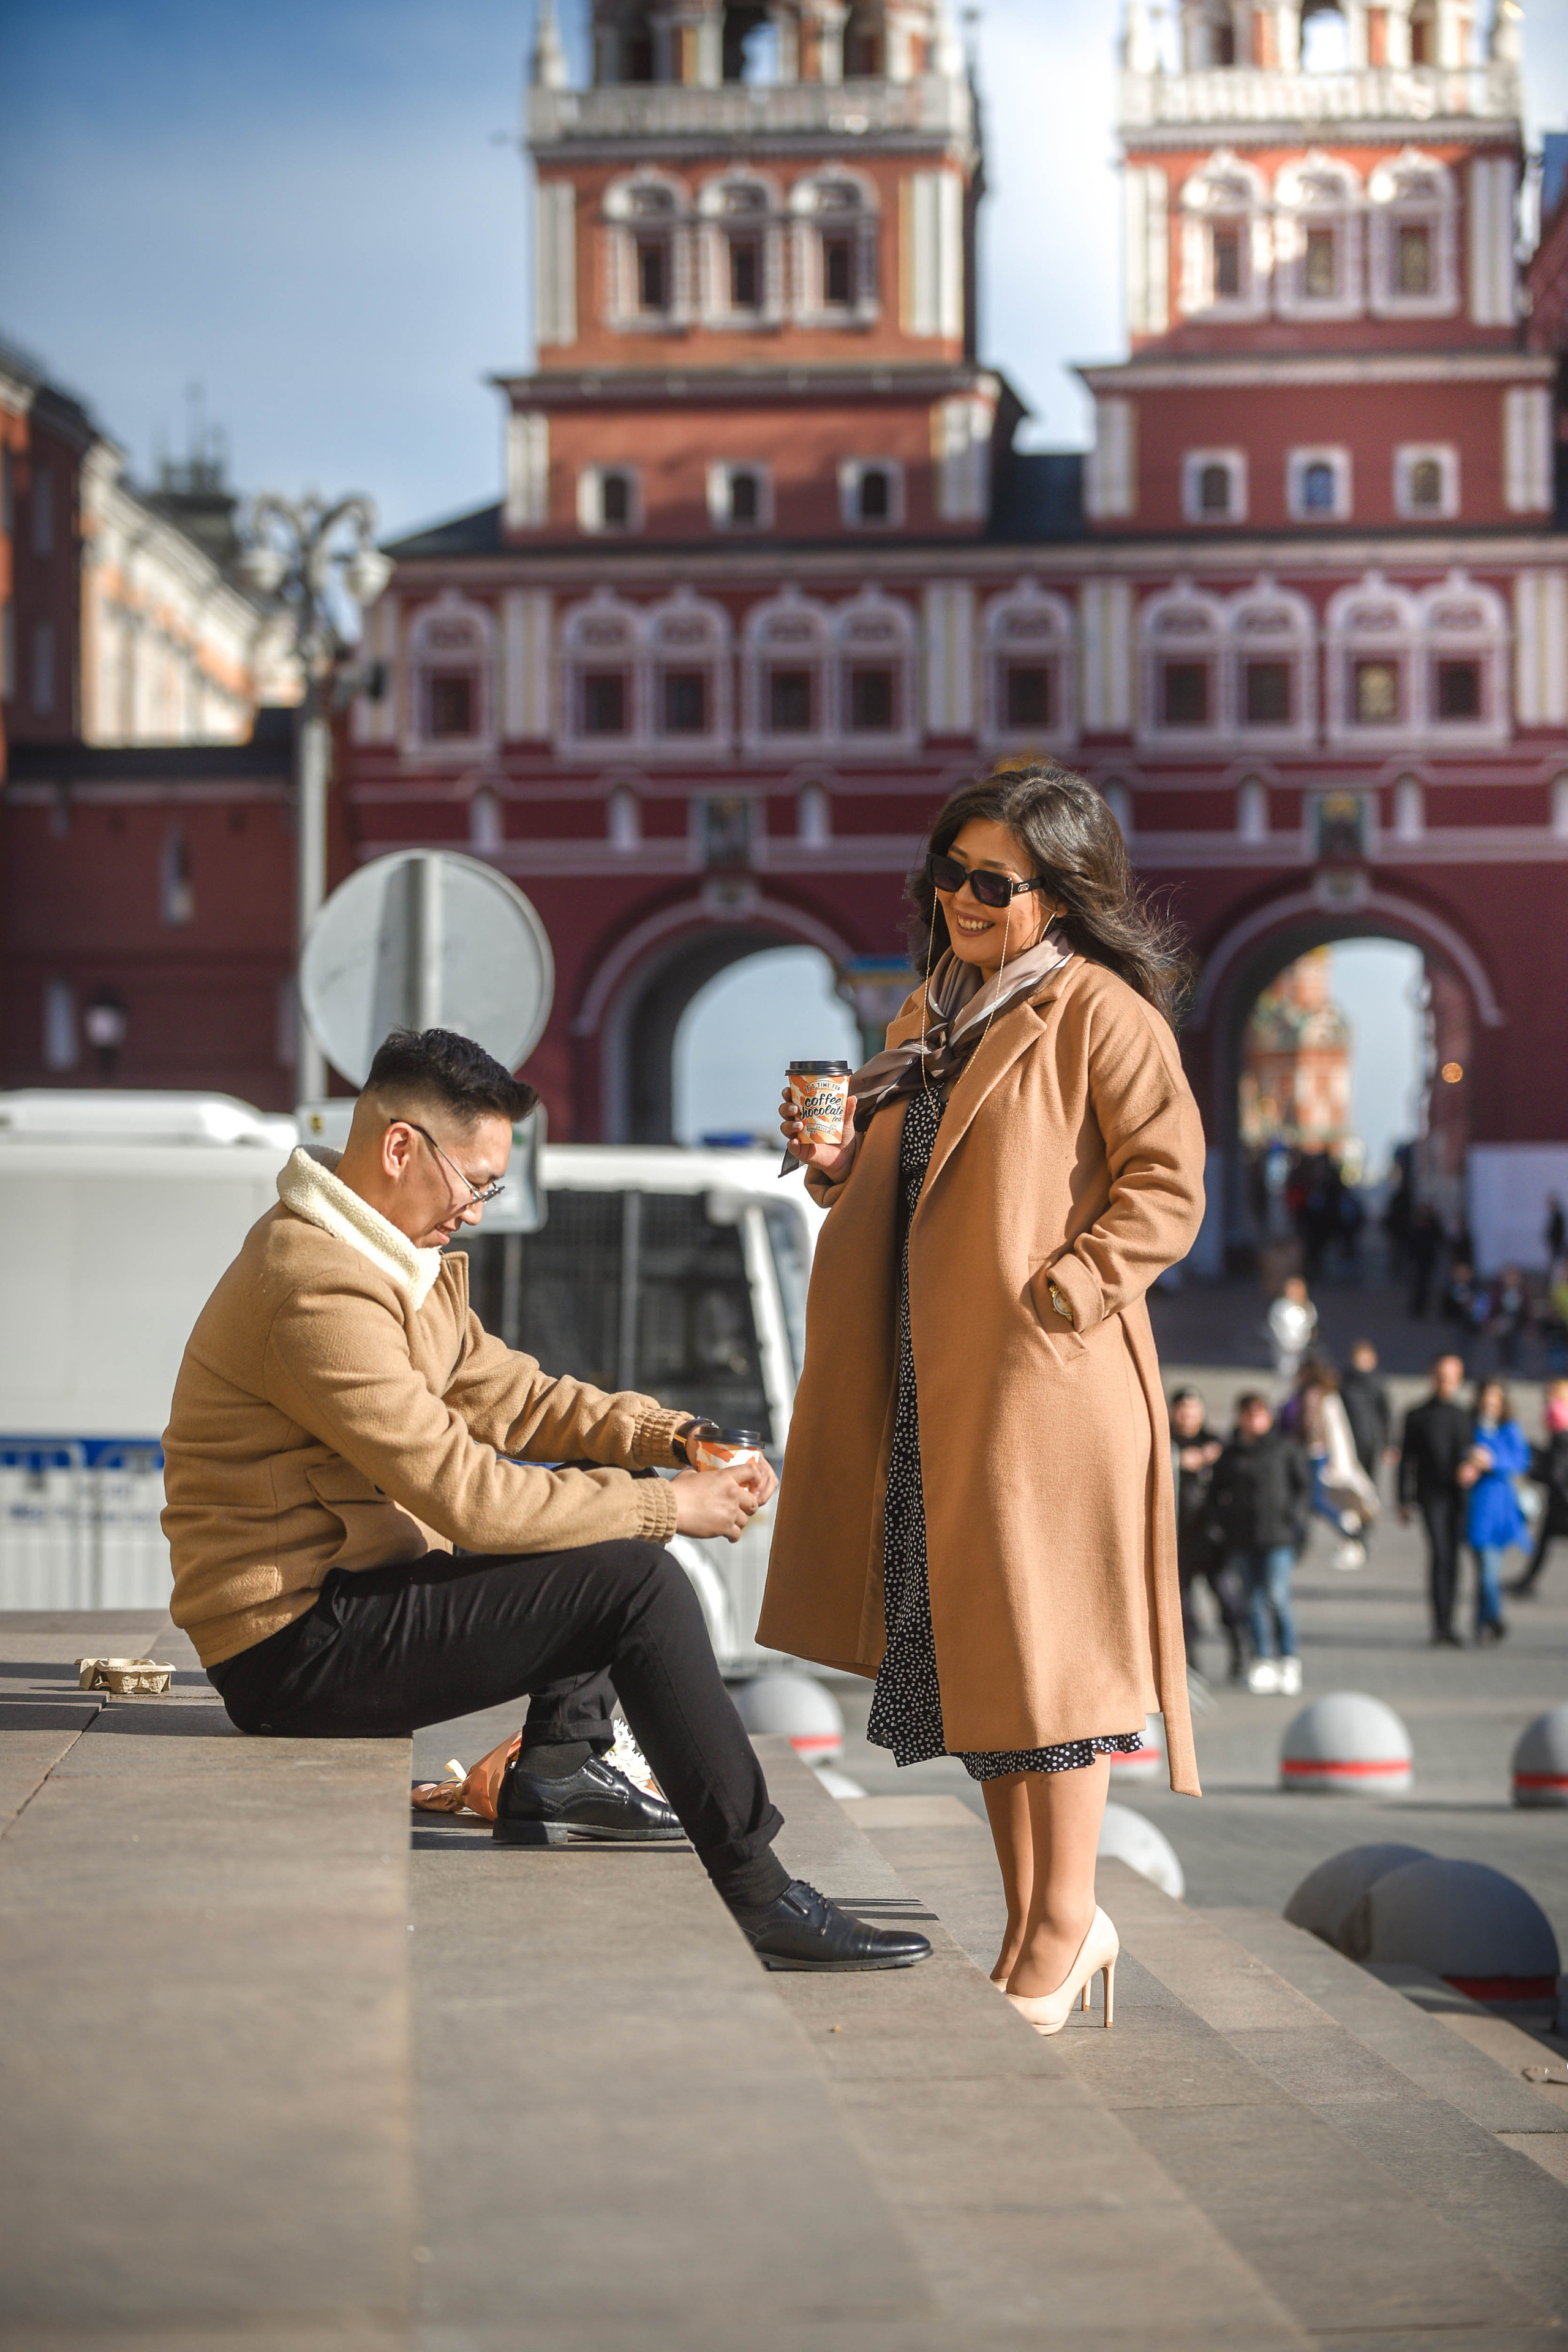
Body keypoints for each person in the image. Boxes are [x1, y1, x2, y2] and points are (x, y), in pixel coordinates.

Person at [162, 1027, 930, 1976]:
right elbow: (470, 1496)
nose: (478, 1213)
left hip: (353, 1602)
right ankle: (763, 1893)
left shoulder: (388, 1259)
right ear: (401, 1148)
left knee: (612, 1525)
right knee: (637, 1581)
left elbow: (515, 1397)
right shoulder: (316, 1289)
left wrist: (668, 1438)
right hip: (289, 1648)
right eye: (475, 1182)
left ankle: (560, 1772)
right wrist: (669, 1508)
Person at [758, 762, 1206, 2039]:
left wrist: (1065, 1295)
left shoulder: (1098, 1012)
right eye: (948, 872)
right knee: (981, 1672)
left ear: (1057, 895)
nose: (960, 895)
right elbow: (904, 1187)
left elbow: (1167, 1187)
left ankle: (1065, 1923)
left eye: (990, 881)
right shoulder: (931, 1013)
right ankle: (1033, 1925)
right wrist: (836, 1162)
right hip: (934, 1387)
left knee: (1051, 1667)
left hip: (1041, 1390)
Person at [1209, 1395, 1311, 1695]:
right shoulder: (1231, 1453)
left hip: (1278, 1537)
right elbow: (1216, 1492)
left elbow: (1302, 1487)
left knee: (1277, 1597)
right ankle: (1262, 1659)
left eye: (1259, 1415)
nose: (1254, 1421)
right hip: (1242, 1538)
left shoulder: (1284, 1447)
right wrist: (1223, 1523)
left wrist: (1293, 1518)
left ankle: (1288, 1659)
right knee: (1251, 1600)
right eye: (1248, 1415)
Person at [1169, 1388, 1245, 1683]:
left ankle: (1240, 1656)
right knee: (1182, 1607)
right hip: (1177, 1541)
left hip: (1214, 1541)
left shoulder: (1217, 1445)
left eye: (1193, 1409)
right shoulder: (1164, 1444)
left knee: (1228, 1600)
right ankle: (1190, 1666)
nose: (1188, 1416)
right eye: (1182, 1410)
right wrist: (1176, 1461)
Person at [1398, 1352, 1473, 1646]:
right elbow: (1407, 1460)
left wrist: (1474, 1466)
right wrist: (1404, 1499)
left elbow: (1477, 1450)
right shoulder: (1417, 1415)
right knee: (1441, 1555)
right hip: (1432, 1496)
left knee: (1455, 1559)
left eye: (1453, 1378)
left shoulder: (1464, 1415)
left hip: (1461, 1497)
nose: (1447, 1384)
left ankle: (1453, 1623)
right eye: (1442, 1377)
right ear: (1433, 1376)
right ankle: (1440, 1625)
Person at [1284, 1358, 1379, 1572]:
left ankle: (1352, 1532)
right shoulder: (1323, 1394)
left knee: (1314, 1501)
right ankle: (1297, 1544)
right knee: (1307, 1502)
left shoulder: (1313, 1395)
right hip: (1314, 1455)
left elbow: (1312, 1428)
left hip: (1313, 1456)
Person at [1457, 1378, 1529, 1644]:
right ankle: (1482, 1623)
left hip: (1499, 1508)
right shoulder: (1470, 1425)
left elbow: (1520, 1461)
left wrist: (1492, 1461)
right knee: (1483, 1570)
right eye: (1487, 1396)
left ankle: (1493, 1619)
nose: (1490, 1402)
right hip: (1474, 1507)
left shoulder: (1509, 1428)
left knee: (1488, 1570)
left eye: (1495, 1397)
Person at [1511, 1377, 1568, 1596]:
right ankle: (1527, 1581)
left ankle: (1527, 1582)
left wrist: (1534, 1470)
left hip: (1562, 1501)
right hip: (1560, 1500)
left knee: (1544, 1541)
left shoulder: (1557, 1415)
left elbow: (1556, 1470)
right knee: (1544, 1542)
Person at [1339, 1340, 1393, 1487]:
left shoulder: (1377, 1382)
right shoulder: (1344, 1383)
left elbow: (1385, 1414)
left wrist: (1388, 1443)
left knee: (1369, 1481)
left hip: (1371, 1439)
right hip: (1349, 1438)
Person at [1267, 1275, 1317, 1385]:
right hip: (1287, 1353)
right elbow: (1278, 1330)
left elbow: (1312, 1325)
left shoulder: (1308, 1306)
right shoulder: (1280, 1307)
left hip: (1306, 1352)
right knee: (1287, 1381)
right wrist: (1292, 1345)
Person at [1407, 1202, 1444, 1319]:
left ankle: (1421, 1307)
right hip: (1420, 1258)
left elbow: (1439, 1238)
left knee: (1424, 1283)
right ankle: (1417, 1307)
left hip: (1428, 1258)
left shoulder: (1432, 1224)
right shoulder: (1417, 1224)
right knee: (1419, 1283)